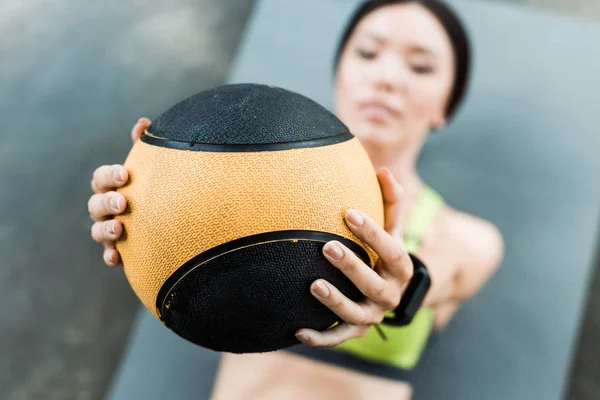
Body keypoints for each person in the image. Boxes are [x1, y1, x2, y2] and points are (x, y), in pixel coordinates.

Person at [88, 0, 504, 398]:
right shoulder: (241, 190)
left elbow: (439, 271)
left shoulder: (467, 239)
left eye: (420, 66)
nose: (387, 78)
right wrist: (141, 206)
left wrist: (403, 282)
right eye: (368, 53)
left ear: (445, 106)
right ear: (339, 70)